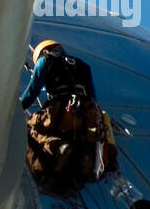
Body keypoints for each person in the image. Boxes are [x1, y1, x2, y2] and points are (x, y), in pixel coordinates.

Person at [20, 39, 115, 194]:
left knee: (32, 129)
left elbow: (33, 91)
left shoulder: (45, 60)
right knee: (86, 140)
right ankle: (85, 159)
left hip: (62, 109)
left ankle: (57, 150)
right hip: (87, 114)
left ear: (44, 51)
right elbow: (93, 98)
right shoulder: (83, 65)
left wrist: (18, 108)